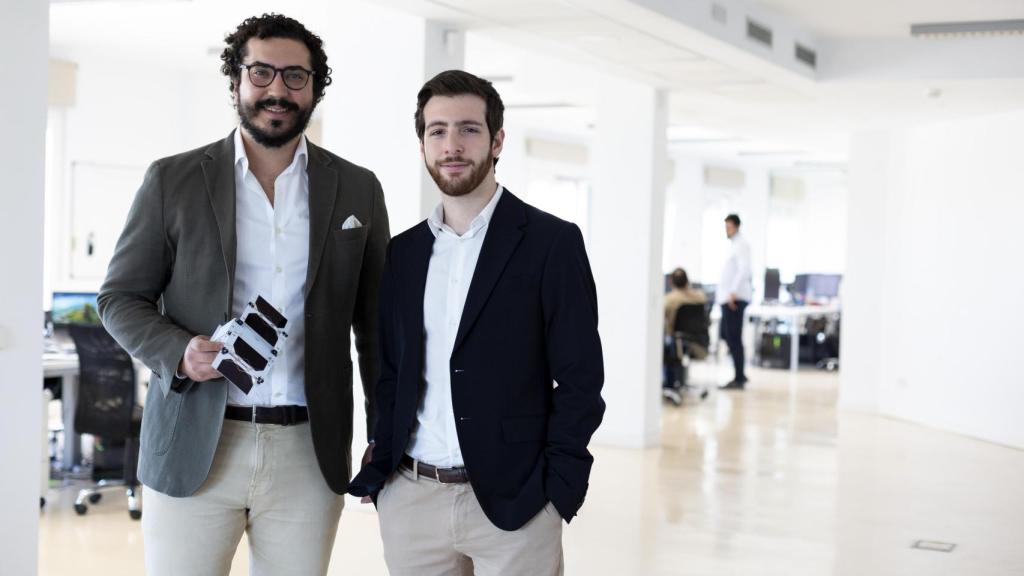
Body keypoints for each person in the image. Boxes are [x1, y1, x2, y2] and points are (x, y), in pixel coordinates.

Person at [97, 14, 389, 575]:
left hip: (309, 450)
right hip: (197, 444)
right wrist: (178, 351)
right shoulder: (172, 180)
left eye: (296, 76)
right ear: (236, 81)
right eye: (261, 72)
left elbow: (376, 327)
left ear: (314, 89)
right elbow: (119, 298)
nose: (278, 89)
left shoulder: (357, 188)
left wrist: (385, 430)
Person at [348, 70, 605, 576]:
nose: (452, 145)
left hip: (517, 505)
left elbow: (580, 380)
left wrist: (559, 492)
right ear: (422, 143)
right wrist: (385, 473)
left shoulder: (551, 244)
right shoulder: (403, 253)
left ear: (497, 140)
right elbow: (391, 371)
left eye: (468, 129)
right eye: (437, 130)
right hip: (412, 500)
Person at [717, 214, 752, 390]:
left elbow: (744, 270)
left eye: (729, 227)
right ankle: (740, 374)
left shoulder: (741, 245)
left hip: (734, 298)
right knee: (727, 335)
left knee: (734, 338)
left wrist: (732, 292)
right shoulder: (734, 245)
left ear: (737, 226)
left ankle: (739, 377)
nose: (726, 230)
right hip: (729, 297)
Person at [663, 267, 707, 393]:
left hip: (678, 344)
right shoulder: (700, 297)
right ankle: (678, 383)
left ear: (671, 282)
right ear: (687, 281)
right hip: (700, 343)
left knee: (665, 344)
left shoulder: (670, 299)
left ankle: (670, 386)